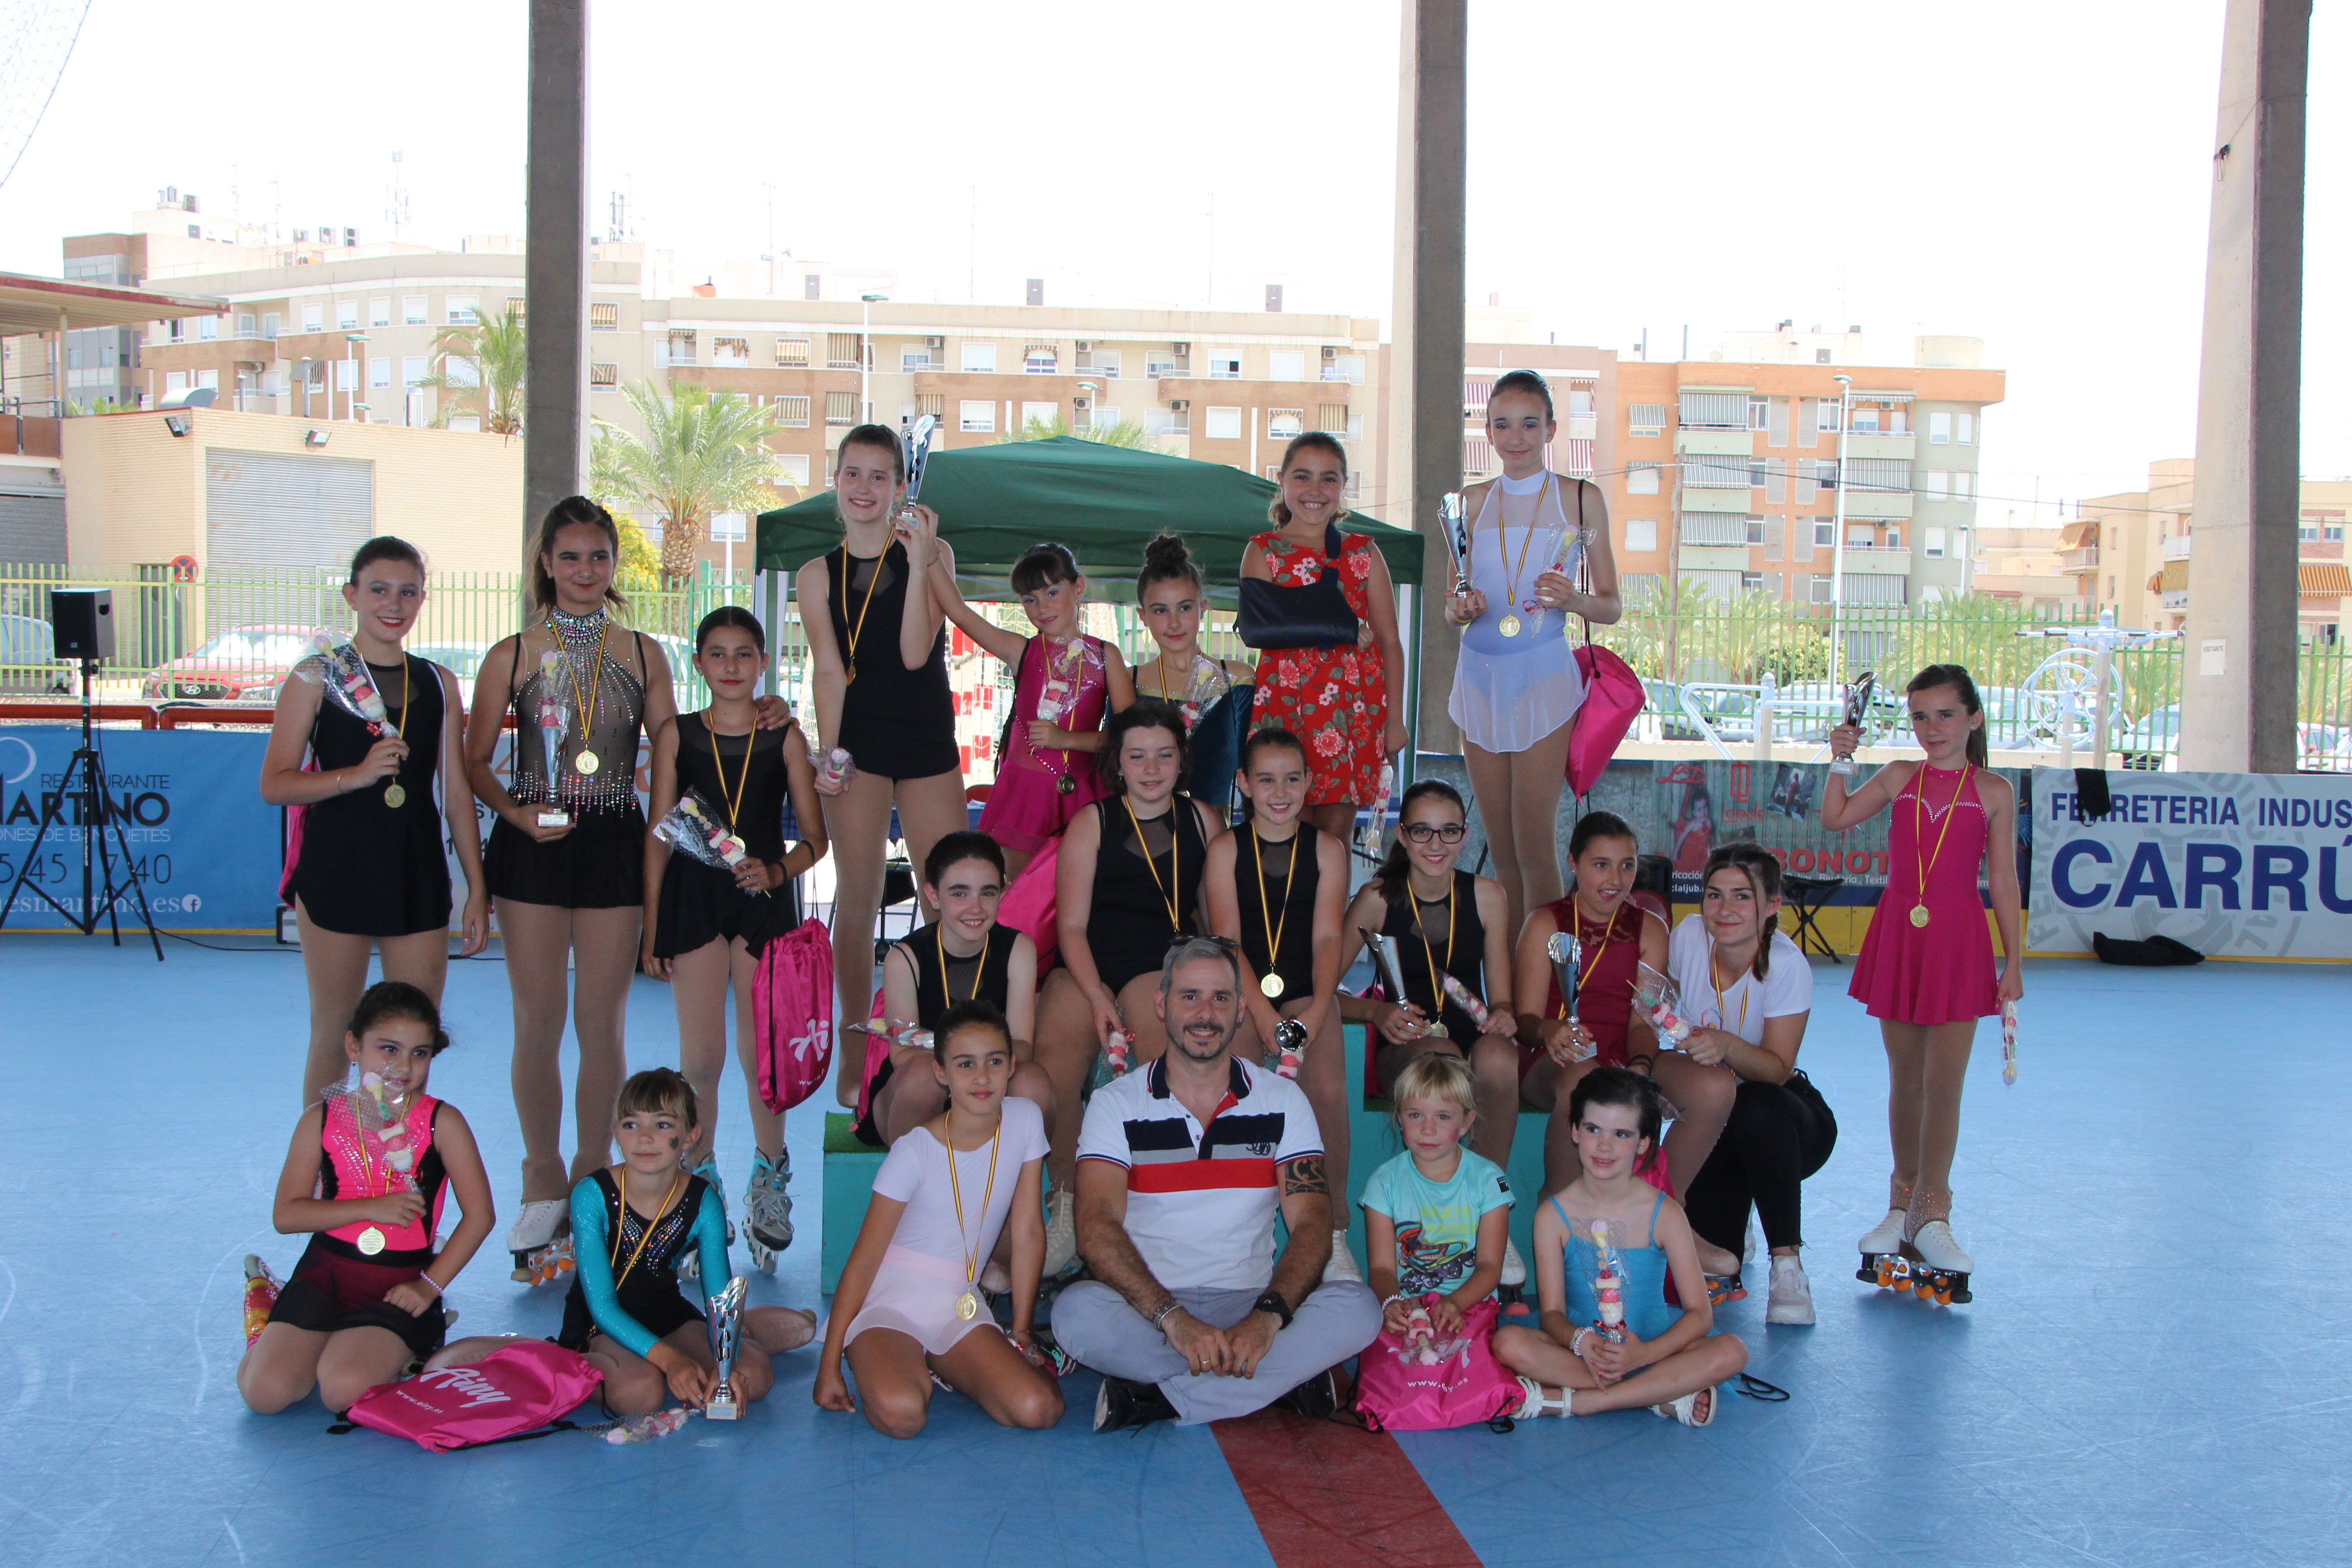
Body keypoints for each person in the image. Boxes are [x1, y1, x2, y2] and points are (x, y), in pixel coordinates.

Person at [467, 496, 676, 1280]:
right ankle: (541, 1177)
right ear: (546, 563)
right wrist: (516, 816)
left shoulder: (645, 654)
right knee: (538, 1021)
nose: (585, 571)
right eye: (571, 557)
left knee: (603, 1025)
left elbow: (674, 749)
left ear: (614, 565)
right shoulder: (512, 654)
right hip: (535, 848)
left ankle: (594, 1174)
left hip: (612, 847)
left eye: (599, 557)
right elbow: (474, 761)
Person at [1054, 938, 1383, 1430]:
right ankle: (1273, 1384)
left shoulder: (1283, 1100)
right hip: (1152, 1310)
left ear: (1241, 1010)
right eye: (1189, 997)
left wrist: (1267, 1317)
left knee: (1358, 1309)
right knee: (1075, 1314)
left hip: (1250, 1302)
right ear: (1162, 1005)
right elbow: (1096, 1226)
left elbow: (1313, 1221)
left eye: (1220, 999)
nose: (1205, 1014)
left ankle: (1159, 1399)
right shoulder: (1116, 1104)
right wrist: (1174, 1319)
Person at [262, 537, 488, 1106]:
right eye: (380, 590)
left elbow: (456, 794)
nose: (394, 603)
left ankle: (399, 1152)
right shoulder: (317, 676)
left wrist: (478, 889)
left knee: (413, 1036)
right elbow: (275, 783)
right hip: (337, 869)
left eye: (408, 592)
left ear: (422, 599)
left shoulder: (439, 683)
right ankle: (322, 1155)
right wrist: (355, 776)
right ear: (352, 596)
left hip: (415, 872)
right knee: (337, 1032)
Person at [640, 607, 828, 1274]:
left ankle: (770, 1178)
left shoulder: (784, 736)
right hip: (694, 904)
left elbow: (816, 839)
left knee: (762, 1059)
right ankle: (701, 1184)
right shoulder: (676, 734)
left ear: (763, 662)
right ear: (698, 664)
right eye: (717, 654)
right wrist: (652, 925)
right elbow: (660, 834)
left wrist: (777, 871)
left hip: (762, 904)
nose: (730, 666)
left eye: (744, 654)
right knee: (701, 1060)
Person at [1823, 663, 2022, 1287]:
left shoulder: (1993, 791)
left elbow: (2004, 880)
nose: (1932, 728)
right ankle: (1901, 1205)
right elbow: (1835, 819)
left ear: (1974, 719)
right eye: (1920, 716)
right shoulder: (1898, 777)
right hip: (1901, 937)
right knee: (1905, 1081)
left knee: (1944, 1084)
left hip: (1958, 941)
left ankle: (1934, 1211)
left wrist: (2014, 961)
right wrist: (1840, 760)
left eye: (1945, 715)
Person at [805, 425, 970, 1112]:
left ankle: (947, 1052)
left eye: (880, 476)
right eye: (854, 474)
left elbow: (913, 651)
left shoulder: (934, 552)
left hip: (927, 741)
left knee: (948, 897)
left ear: (902, 486)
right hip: (861, 747)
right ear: (836, 481)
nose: (865, 488)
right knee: (858, 898)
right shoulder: (817, 575)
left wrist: (923, 558)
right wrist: (831, 754)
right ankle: (855, 1058)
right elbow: (828, 670)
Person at [1032, 700, 1226, 1270]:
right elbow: (1070, 926)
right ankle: (1067, 1199)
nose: (1151, 768)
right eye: (1137, 756)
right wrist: (1096, 995)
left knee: (1163, 1067)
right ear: (1117, 762)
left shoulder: (1203, 821)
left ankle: (1153, 1203)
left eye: (1164, 755)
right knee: (1052, 1066)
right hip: (1088, 964)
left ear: (1182, 760)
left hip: (1160, 968)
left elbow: (1214, 920)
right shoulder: (1093, 821)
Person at [238, 982, 495, 1414]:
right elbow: (287, 1216)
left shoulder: (443, 1123)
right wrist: (370, 1208)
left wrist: (429, 1287)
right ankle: (268, 1317)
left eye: (419, 1053)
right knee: (266, 1394)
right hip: (325, 1275)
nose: (404, 1066)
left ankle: (405, 1337)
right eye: (389, 1049)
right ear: (354, 1047)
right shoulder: (321, 1119)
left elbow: (480, 1216)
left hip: (399, 1284)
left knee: (344, 1390)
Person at [813, 1003, 1063, 1438]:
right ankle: (871, 1349)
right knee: (904, 1415)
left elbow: (1027, 1231)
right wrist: (828, 1364)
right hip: (890, 1305)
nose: (982, 1077)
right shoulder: (914, 1151)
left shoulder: (1025, 1120)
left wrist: (1022, 1330)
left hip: (959, 1305)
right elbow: (864, 1260)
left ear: (1012, 1066)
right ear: (941, 1072)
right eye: (965, 1064)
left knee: (1039, 1408)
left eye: (994, 1062)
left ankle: (937, 1360)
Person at [508, 1069, 813, 1416]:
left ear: (691, 1135)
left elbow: (719, 1297)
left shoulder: (704, 1201)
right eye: (631, 1124)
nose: (645, 1137)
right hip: (599, 1325)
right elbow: (603, 1307)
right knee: (641, 1393)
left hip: (666, 1316)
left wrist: (724, 1367)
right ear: (615, 1133)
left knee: (754, 1377)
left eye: (663, 1125)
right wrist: (671, 1361)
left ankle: (740, 1336)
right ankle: (562, 1361)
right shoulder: (592, 1195)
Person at [1445, 371, 1623, 938]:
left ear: (1550, 429)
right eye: (1502, 425)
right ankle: (1511, 969)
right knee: (1501, 849)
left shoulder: (1580, 497)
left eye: (1529, 424)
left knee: (1535, 845)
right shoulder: (1469, 503)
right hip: (1479, 678)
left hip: (1543, 678)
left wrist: (1573, 599)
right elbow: (1452, 605)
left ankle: (1546, 974)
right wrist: (1463, 607)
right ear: (1488, 432)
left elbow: (1612, 606)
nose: (1516, 437)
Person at [1493, 1068, 1748, 1424]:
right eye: (1593, 1129)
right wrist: (1581, 1341)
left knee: (1732, 1351)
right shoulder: (1553, 1215)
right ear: (1575, 1132)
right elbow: (1551, 1315)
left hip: (1654, 1348)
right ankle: (1658, 1395)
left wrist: (1643, 1355)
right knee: (1509, 1343)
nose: (1605, 1146)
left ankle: (1581, 1402)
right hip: (1585, 1354)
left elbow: (1700, 1315)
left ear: (1643, 1143)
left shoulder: (1665, 1213)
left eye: (1622, 1134)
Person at [1205, 727, 1357, 1280]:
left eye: (1292, 779)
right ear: (1244, 784)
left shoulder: (1328, 850)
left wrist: (1316, 1009)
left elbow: (1328, 937)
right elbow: (1228, 940)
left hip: (1307, 987)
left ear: (1310, 782)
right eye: (1266, 780)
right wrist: (1265, 1016)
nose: (1280, 792)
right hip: (1244, 989)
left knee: (1327, 1091)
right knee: (1239, 1083)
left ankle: (1333, 1229)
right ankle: (1239, 1229)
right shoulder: (1226, 850)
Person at [1336, 784, 1520, 1235]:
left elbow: (1502, 1000)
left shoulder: (1488, 896)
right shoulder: (1377, 899)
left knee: (1499, 1056)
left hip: (1468, 1039)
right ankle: (1432, 1208)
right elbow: (1324, 992)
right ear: (1402, 835)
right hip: (1406, 1045)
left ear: (1465, 834)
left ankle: (1486, 1210)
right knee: (1442, 1054)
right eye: (1422, 831)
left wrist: (1503, 1014)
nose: (1436, 844)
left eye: (1448, 831)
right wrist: (1375, 1014)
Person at [1664, 846, 1833, 1323]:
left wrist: (1726, 1045)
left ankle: (1788, 1264)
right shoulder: (1688, 937)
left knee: (1756, 1102)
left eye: (1742, 896)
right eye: (1714, 894)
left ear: (1772, 905)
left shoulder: (1787, 964)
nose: (1724, 909)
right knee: (1720, 1256)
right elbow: (1661, 1008)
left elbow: (1777, 1070)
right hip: (1717, 1122)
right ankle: (1743, 1215)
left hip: (1786, 1123)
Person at [1511, 811, 1708, 1197]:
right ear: (1574, 862)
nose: (1615, 879)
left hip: (1624, 1055)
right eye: (1601, 865)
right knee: (1583, 1082)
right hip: (1556, 1060)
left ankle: (1662, 1203)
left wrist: (1640, 1068)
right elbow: (1526, 1022)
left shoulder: (1650, 929)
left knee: (1712, 1087)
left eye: (1627, 866)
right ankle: (1560, 1202)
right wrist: (1550, 1030)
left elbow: (1642, 1023)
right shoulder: (1545, 923)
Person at [929, 541, 1132, 880]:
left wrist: (1066, 740)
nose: (1042, 607)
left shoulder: (1105, 656)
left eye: (1052, 592)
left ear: (1078, 587)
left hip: (1083, 794)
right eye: (1029, 599)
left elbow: (1130, 738)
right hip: (1025, 796)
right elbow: (958, 611)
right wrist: (928, 553)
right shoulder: (1020, 650)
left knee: (1079, 892)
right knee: (1020, 892)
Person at [1241, 432, 1407, 842]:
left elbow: (1389, 641)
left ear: (1344, 486)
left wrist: (1395, 720)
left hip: (1350, 712)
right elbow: (1257, 628)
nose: (1315, 490)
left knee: (1335, 840)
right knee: (1281, 836)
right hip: (1284, 707)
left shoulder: (1364, 553)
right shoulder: (1262, 551)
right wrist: (1341, 629)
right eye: (1302, 476)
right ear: (1281, 480)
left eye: (1329, 479)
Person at [857, 831, 1055, 1156]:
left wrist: (977, 1065)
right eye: (960, 893)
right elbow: (903, 1055)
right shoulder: (905, 958)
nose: (975, 908)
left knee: (1033, 1083)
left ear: (1004, 893)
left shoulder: (1018, 949)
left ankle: (1017, 1182)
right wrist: (967, 1060)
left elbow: (1022, 1045)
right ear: (933, 895)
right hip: (917, 1088)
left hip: (988, 1079)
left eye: (987, 893)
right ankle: (913, 1180)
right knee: (922, 1077)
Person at [1361, 1051, 1511, 1343]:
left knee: (1472, 1367)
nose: (1428, 1129)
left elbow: (1490, 1269)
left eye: (1443, 1117)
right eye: (1415, 1115)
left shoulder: (1488, 1180)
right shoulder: (1383, 1182)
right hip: (1407, 1308)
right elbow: (1381, 1269)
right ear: (1399, 1117)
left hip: (1470, 1304)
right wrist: (1392, 1303)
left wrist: (1455, 1303)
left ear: (1466, 1122)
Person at [1132, 531, 1254, 811]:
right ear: (1143, 616)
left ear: (1203, 608)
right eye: (1161, 611)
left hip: (1217, 829)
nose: (1174, 623)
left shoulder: (1238, 678)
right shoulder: (1129, 681)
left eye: (1185, 608)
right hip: (1144, 825)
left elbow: (1253, 764)